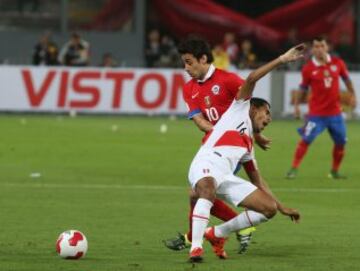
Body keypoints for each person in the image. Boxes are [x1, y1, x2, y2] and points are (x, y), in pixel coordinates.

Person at [187, 44, 304, 263]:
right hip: (206, 163)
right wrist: (282, 59)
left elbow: (259, 181)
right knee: (207, 189)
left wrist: (281, 206)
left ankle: (217, 233)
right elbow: (251, 78)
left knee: (267, 209)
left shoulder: (248, 146)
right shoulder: (239, 106)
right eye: (266, 113)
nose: (268, 119)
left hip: (224, 177)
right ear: (253, 108)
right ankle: (195, 248)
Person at [163, 37, 272, 254]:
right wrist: (217, 133)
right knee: (198, 194)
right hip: (212, 145)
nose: (186, 68)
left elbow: (249, 109)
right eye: (183, 63)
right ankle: (211, 235)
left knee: (201, 192)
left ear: (203, 59)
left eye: (189, 62)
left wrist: (253, 135)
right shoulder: (189, 89)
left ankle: (198, 238)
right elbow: (199, 120)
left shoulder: (228, 79)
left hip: (230, 150)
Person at [286, 37, 357, 179]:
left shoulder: (338, 63)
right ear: (312, 49)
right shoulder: (308, 68)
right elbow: (302, 89)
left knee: (341, 142)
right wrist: (297, 106)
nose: (319, 49)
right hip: (316, 115)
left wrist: (353, 95)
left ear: (327, 47)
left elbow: (347, 80)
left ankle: (334, 171)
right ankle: (293, 169)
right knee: (306, 140)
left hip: (336, 114)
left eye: (322, 46)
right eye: (316, 46)